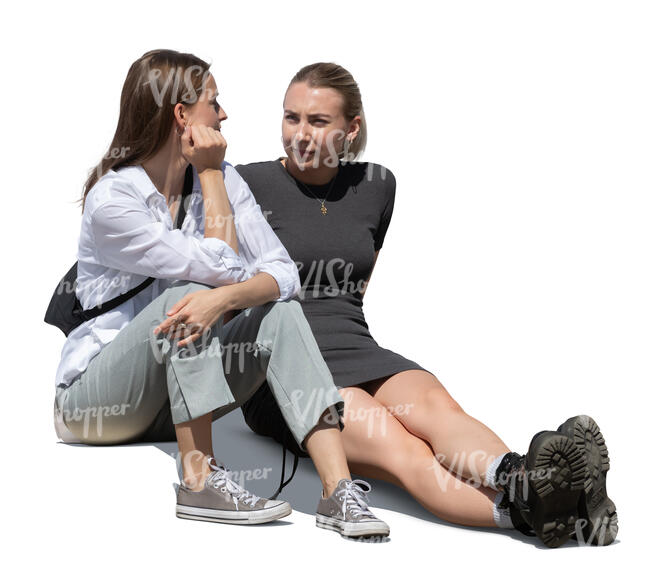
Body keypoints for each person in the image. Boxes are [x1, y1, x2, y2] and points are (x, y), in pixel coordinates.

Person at [237, 62, 618, 548]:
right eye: (291, 118)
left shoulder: (376, 185)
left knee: (439, 412)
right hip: (283, 368)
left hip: (357, 348)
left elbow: (357, 283)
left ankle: (526, 480)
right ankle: (532, 513)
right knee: (405, 450)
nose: (301, 134)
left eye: (317, 121)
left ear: (350, 128)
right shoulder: (244, 184)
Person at [52, 50, 390, 538]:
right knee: (188, 297)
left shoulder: (227, 176)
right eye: (214, 102)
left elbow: (283, 273)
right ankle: (199, 480)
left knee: (280, 312)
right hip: (95, 404)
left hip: (169, 401)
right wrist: (210, 176)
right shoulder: (115, 200)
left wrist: (228, 298)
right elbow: (221, 267)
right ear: (182, 115)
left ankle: (337, 492)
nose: (224, 114)